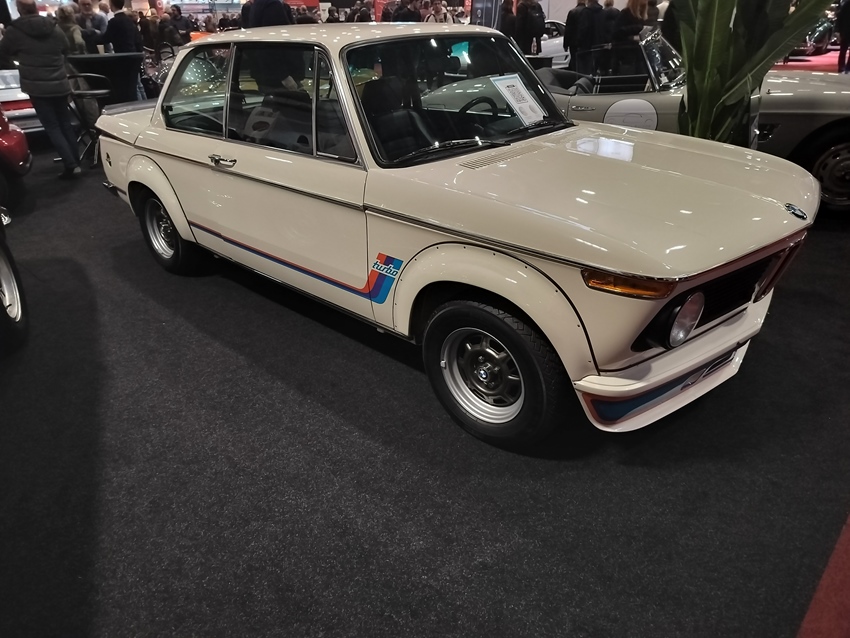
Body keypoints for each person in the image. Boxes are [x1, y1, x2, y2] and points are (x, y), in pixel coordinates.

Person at [0, 0, 80, 177]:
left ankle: (71, 164)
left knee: (52, 127)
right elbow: (66, 48)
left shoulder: (14, 31)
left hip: (36, 87)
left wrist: (18, 64)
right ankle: (76, 161)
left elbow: (3, 54)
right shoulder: (54, 27)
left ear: (19, 9)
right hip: (60, 83)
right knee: (65, 124)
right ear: (36, 8)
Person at [575, 0, 605, 74]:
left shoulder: (586, 12)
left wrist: (579, 42)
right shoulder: (602, 12)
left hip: (587, 48)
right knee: (596, 70)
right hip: (599, 46)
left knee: (585, 72)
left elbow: (583, 30)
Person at [563, 0, 585, 70]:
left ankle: (574, 74)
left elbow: (568, 30)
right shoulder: (588, 12)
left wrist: (565, 44)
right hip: (584, 42)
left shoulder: (572, 12)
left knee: (574, 61)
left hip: (573, 42)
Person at [838, 0, 850, 73]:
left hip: (845, 31)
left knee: (843, 50)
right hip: (845, 31)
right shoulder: (847, 4)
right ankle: (841, 68)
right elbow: (840, 17)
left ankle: (848, 68)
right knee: (843, 50)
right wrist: (838, 30)